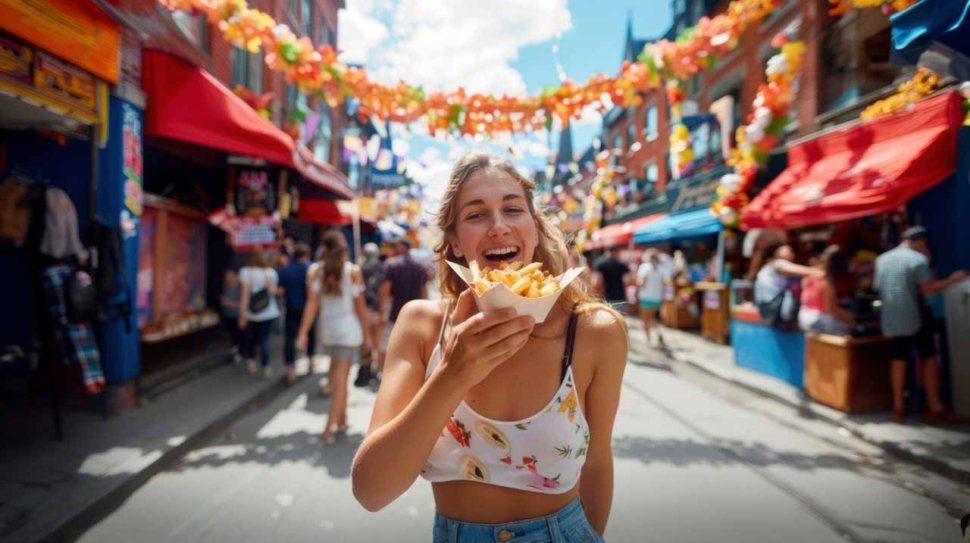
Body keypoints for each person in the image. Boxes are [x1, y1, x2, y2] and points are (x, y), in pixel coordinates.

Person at [352, 152, 628, 542]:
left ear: (534, 229)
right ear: (455, 242)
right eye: (476, 215)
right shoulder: (421, 325)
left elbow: (597, 463)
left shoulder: (595, 332)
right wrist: (452, 373)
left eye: (513, 210)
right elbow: (371, 491)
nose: (498, 226)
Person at [874, 226, 967, 422]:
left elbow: (877, 288)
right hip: (917, 318)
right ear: (921, 242)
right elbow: (928, 289)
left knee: (898, 360)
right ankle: (935, 406)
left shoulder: (882, 260)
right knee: (929, 359)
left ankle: (898, 408)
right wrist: (952, 280)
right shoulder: (918, 260)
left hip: (892, 319)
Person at [297, 230, 373, 444]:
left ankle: (342, 419)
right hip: (348, 332)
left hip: (327, 332)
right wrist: (367, 336)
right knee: (340, 381)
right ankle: (329, 428)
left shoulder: (314, 271)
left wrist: (303, 332)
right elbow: (361, 307)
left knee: (337, 378)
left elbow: (311, 305)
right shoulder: (352, 271)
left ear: (324, 249)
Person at [377, 236, 429, 384]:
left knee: (385, 345)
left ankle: (382, 374)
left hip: (394, 313)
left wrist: (382, 312)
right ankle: (405, 379)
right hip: (414, 317)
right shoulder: (419, 266)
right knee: (411, 348)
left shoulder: (391, 265)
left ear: (401, 247)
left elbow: (384, 292)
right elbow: (423, 291)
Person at [754, 243, 821, 327]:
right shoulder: (778, 263)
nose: (788, 252)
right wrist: (820, 271)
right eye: (785, 250)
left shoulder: (770, 265)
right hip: (773, 305)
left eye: (790, 251)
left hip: (767, 307)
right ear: (777, 252)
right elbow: (804, 271)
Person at [238, 249, 281, 378]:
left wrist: (242, 314)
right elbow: (274, 292)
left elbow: (245, 296)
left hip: (252, 313)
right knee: (264, 339)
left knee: (251, 337)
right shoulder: (271, 273)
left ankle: (251, 361)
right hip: (269, 312)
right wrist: (269, 286)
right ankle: (266, 366)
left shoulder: (246, 272)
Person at [278, 242, 315, 384]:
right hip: (308, 310)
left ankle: (291, 369)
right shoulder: (311, 269)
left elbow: (280, 291)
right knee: (310, 335)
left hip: (291, 308)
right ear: (307, 254)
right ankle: (310, 362)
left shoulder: (285, 270)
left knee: (289, 338)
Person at [798, 246, 854, 335]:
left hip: (803, 317)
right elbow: (831, 309)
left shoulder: (808, 276)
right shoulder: (826, 282)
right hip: (818, 320)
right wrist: (852, 319)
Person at [357, 242, 385, 387]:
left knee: (366, 342)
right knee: (376, 342)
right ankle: (373, 370)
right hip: (374, 309)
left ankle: (365, 371)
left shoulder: (360, 267)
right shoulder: (380, 268)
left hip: (364, 310)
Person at [636, 249, 665, 346]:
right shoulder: (660, 269)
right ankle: (658, 332)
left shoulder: (645, 267)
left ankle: (648, 338)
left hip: (646, 297)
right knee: (653, 317)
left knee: (645, 319)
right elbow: (663, 284)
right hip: (656, 298)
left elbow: (641, 283)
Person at [593, 247, 631, 313]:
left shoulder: (601, 265)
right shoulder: (622, 265)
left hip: (607, 297)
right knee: (620, 320)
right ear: (617, 253)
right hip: (620, 297)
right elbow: (629, 281)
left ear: (607, 252)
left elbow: (597, 283)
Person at [220, 268, 243, 363]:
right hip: (227, 315)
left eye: (229, 275)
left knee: (237, 335)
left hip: (237, 315)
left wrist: (230, 303)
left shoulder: (240, 287)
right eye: (226, 275)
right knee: (231, 334)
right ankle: (234, 352)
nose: (228, 277)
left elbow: (243, 303)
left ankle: (238, 353)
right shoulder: (225, 286)